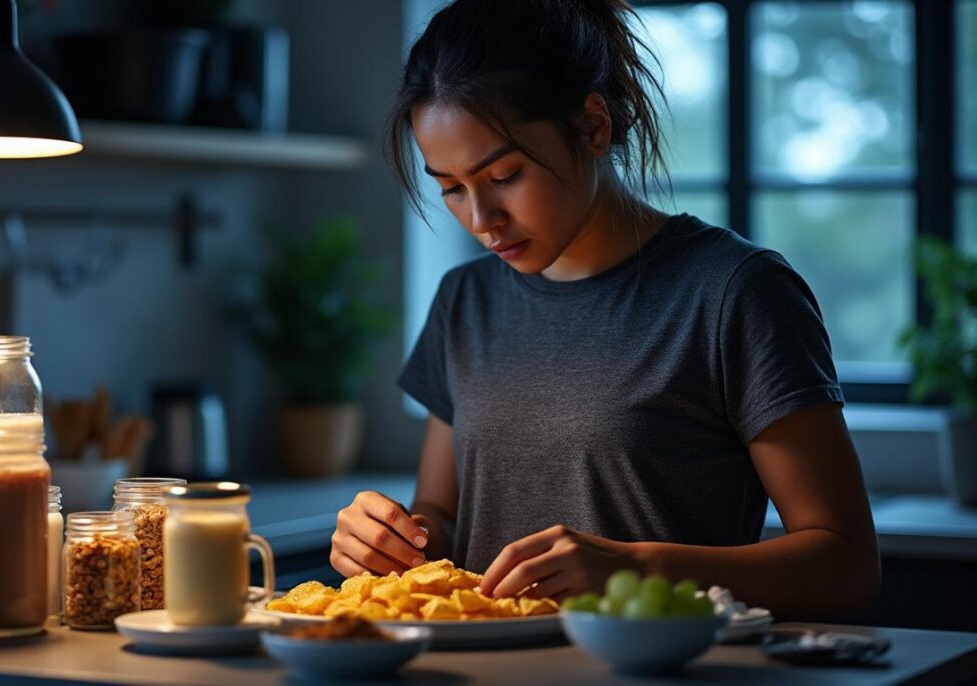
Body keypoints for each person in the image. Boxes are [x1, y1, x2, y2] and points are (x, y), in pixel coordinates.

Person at [330, 0, 880, 619]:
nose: (481, 220)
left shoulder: (735, 292)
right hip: (484, 662)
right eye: (452, 189)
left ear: (594, 127)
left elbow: (847, 564)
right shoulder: (466, 300)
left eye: (505, 175)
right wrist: (390, 541)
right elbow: (445, 519)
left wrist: (636, 569)